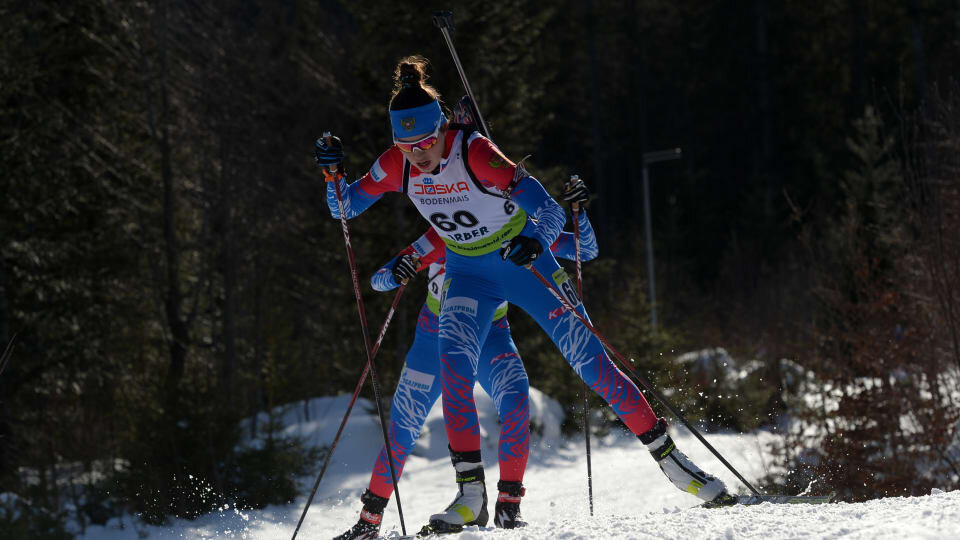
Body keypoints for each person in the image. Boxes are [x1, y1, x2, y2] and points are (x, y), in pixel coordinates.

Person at [317, 55, 734, 534]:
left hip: (522, 262)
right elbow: (345, 207)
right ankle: (471, 493)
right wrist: (332, 175)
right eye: (406, 146)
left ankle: (675, 465)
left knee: (591, 361)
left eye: (425, 143)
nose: (418, 155)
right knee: (453, 361)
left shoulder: (474, 151)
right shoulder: (398, 165)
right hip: (467, 271)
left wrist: (536, 237)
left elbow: (549, 209)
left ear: (442, 130)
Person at [333, 180, 599, 540]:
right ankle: (369, 522)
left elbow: (586, 248)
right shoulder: (443, 232)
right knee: (403, 426)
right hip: (434, 338)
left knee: (516, 399)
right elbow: (378, 279)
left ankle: (508, 506)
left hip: (492, 335)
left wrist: (578, 215)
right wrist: (398, 272)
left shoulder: (512, 226)